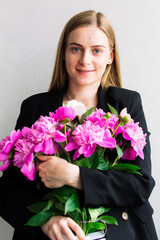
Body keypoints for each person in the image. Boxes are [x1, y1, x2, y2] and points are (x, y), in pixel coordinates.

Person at [0, 10, 158, 240]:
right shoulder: (34, 107)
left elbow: (140, 185)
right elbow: (7, 190)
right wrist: (47, 221)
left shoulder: (126, 104)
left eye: (96, 50)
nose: (85, 60)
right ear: (64, 54)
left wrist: (75, 176)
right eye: (76, 49)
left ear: (110, 56)